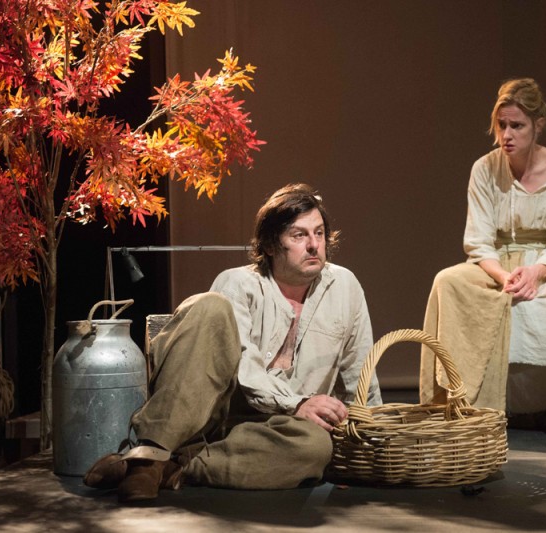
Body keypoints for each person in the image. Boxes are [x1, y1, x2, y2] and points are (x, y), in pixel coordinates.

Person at [84, 183, 381, 502]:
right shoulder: (238, 284)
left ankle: (167, 466)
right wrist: (296, 403)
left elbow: (360, 373)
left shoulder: (345, 286)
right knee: (210, 305)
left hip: (273, 435)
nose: (313, 245)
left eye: (319, 233)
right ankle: (152, 452)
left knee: (315, 447)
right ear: (270, 245)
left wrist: (375, 435)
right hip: (216, 425)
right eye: (299, 235)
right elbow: (246, 369)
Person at [419, 78, 546, 444]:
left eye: (517, 125)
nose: (507, 134)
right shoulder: (485, 169)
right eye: (501, 125)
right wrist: (505, 276)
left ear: (538, 126)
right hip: (499, 263)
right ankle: (459, 406)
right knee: (449, 280)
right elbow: (478, 241)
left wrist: (537, 272)